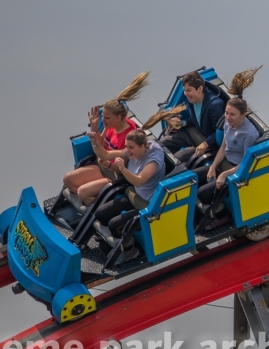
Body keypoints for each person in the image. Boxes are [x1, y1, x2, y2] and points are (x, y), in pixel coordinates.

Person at [61, 72, 150, 205]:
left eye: (107, 118)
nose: (104, 120)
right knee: (68, 179)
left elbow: (122, 168)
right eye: (103, 117)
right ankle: (94, 198)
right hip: (101, 166)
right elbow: (101, 143)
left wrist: (106, 163)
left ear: (118, 117)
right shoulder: (111, 125)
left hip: (114, 175)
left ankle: (98, 206)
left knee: (82, 192)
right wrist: (95, 127)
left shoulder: (129, 136)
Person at [92, 129, 166, 259]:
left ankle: (131, 252)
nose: (127, 150)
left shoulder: (153, 161)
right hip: (135, 196)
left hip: (148, 205)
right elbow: (105, 154)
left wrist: (122, 168)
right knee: (100, 214)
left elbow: (139, 181)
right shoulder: (134, 151)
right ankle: (110, 240)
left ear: (142, 146)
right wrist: (95, 143)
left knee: (114, 225)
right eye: (126, 146)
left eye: (131, 147)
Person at [194, 69, 262, 212]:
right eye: (226, 113)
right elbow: (224, 146)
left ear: (243, 114)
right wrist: (213, 167)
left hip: (236, 170)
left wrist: (224, 174)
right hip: (223, 162)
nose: (228, 117)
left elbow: (246, 164)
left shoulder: (249, 134)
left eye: (232, 114)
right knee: (192, 179)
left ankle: (220, 214)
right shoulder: (228, 122)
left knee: (202, 193)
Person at [160, 70, 226, 163]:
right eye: (185, 90)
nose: (186, 94)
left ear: (200, 89)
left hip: (210, 145)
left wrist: (206, 143)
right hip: (195, 135)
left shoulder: (214, 106)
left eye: (189, 90)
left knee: (179, 157)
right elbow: (198, 118)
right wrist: (182, 123)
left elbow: (220, 132)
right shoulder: (192, 99)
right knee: (163, 142)